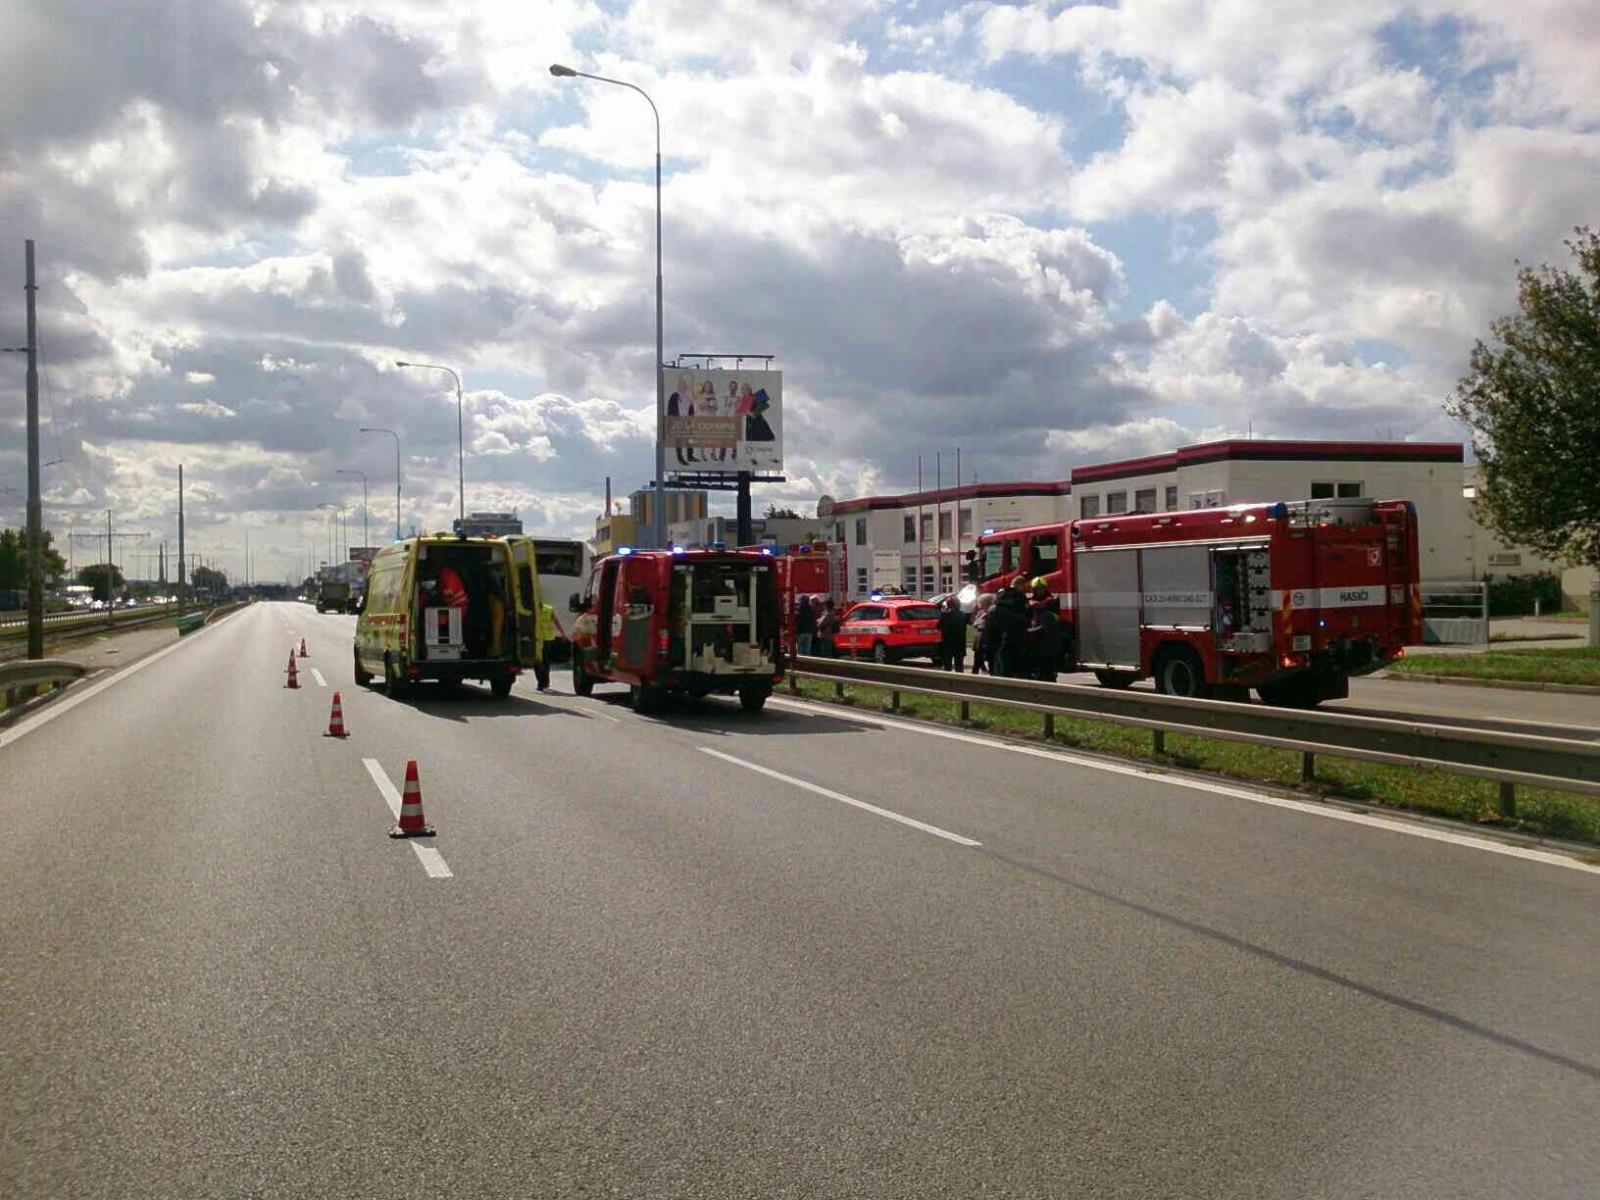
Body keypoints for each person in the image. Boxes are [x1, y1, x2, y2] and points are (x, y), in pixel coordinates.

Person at [989, 577, 1031, 678]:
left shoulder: (1001, 597)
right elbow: (1025, 615)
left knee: (1003, 665)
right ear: (1020, 585)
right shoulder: (1019, 598)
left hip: (1002, 636)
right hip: (1017, 635)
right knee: (1017, 665)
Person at [1026, 577, 1064, 682]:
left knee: (1048, 671)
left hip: (1049, 641)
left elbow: (1054, 621)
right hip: (1034, 642)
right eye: (1037, 589)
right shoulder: (1029, 604)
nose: (1039, 591)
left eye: (1041, 588)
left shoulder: (1052, 601)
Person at [937, 594, 968, 672]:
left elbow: (938, 627)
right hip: (960, 642)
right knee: (959, 665)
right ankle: (959, 677)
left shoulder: (945, 615)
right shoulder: (963, 615)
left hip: (947, 642)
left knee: (947, 665)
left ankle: (948, 678)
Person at [970, 592, 995, 674]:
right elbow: (974, 623)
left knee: (989, 660)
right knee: (977, 659)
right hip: (979, 637)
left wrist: (977, 623)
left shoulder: (990, 613)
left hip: (984, 637)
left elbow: (978, 624)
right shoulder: (981, 612)